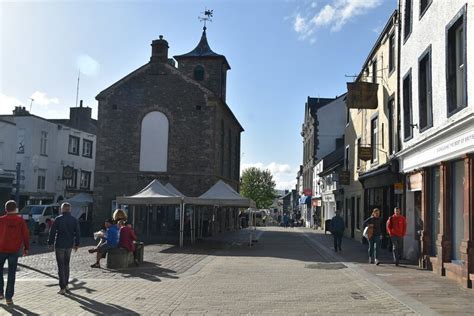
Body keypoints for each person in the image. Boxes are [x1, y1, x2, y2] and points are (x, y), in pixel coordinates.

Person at [48, 202, 81, 295]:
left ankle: (62, 287)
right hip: (69, 244)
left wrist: (50, 242)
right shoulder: (74, 220)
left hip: (59, 244)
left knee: (60, 266)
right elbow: (78, 232)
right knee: (67, 265)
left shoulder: (58, 219)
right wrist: (77, 243)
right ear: (70, 209)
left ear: (62, 209)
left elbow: (52, 232)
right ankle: (66, 284)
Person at [0, 200, 29, 306]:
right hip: (14, 250)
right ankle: (9, 298)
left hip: (1, 249)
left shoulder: (1, 220)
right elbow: (26, 235)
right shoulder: (20, 221)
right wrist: (26, 247)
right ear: (15, 209)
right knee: (12, 274)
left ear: (6, 209)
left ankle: (0, 292)